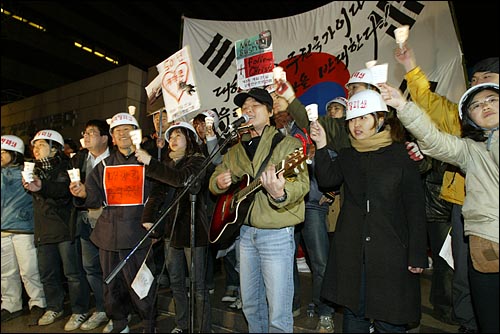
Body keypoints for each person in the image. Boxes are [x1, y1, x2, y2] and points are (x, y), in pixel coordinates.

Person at [380, 82, 499, 333]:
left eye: (492, 99)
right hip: (487, 246)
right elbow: (434, 139)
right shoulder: (470, 151)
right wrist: (402, 105)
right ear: (470, 119)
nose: (485, 106)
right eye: (476, 105)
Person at [310, 90, 428, 333]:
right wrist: (321, 146)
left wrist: (417, 254)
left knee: (390, 318)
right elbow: (328, 181)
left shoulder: (400, 155)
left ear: (380, 119)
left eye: (363, 118)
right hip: (353, 250)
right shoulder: (347, 155)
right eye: (352, 120)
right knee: (355, 313)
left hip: (391, 251)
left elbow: (415, 207)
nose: (356, 125)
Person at [209, 87, 310, 333]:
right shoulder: (235, 148)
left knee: (278, 311)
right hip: (244, 234)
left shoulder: (287, 145)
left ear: (269, 111)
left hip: (276, 233)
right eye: (244, 107)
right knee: (251, 305)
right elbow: (215, 177)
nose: (248, 110)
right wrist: (218, 182)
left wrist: (281, 193)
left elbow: (302, 184)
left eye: (255, 105)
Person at [70, 112, 157, 333]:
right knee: (112, 283)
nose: (122, 134)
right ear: (112, 138)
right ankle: (119, 322)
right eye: (118, 131)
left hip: (138, 233)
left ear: (136, 133)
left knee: (142, 283)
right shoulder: (104, 165)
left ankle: (148, 323)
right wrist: (82, 194)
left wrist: (153, 224)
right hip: (109, 234)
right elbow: (94, 196)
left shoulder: (148, 163)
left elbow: (159, 195)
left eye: (127, 130)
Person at [136, 121, 211, 333]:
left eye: (178, 135)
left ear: (190, 139)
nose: (173, 140)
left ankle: (202, 328)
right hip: (170, 230)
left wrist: (151, 162)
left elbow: (181, 180)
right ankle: (182, 324)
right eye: (170, 137)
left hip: (192, 230)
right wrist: (148, 218)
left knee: (197, 285)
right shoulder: (167, 164)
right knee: (176, 282)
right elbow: (157, 194)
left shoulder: (197, 161)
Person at [270, 89, 335, 333]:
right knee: (285, 261)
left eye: (280, 105)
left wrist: (330, 191)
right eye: (274, 108)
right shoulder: (272, 137)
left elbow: (333, 155)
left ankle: (324, 310)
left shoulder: (309, 128)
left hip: (311, 202)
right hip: (284, 203)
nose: (278, 111)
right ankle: (293, 303)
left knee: (320, 262)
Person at [23, 129, 91, 331]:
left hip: (64, 228)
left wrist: (41, 186)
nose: (36, 149)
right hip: (43, 229)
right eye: (34, 146)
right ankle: (54, 307)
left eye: (42, 145)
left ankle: (80, 310)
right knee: (48, 273)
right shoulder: (32, 169)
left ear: (55, 150)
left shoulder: (66, 168)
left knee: (73, 273)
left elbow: (62, 192)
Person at [68, 120, 112, 331]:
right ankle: (102, 309)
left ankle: (117, 312)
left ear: (105, 137)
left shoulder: (115, 159)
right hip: (85, 220)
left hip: (109, 221)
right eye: (85, 133)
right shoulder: (79, 159)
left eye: (92, 133)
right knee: (90, 268)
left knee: (111, 268)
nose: (86, 136)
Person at [1, 135, 46, 324]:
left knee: (29, 270)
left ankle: (38, 302)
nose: (0, 156)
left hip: (24, 229)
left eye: (3, 152)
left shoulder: (28, 171)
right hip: (3, 230)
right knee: (6, 272)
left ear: (15, 153)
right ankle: (10, 304)